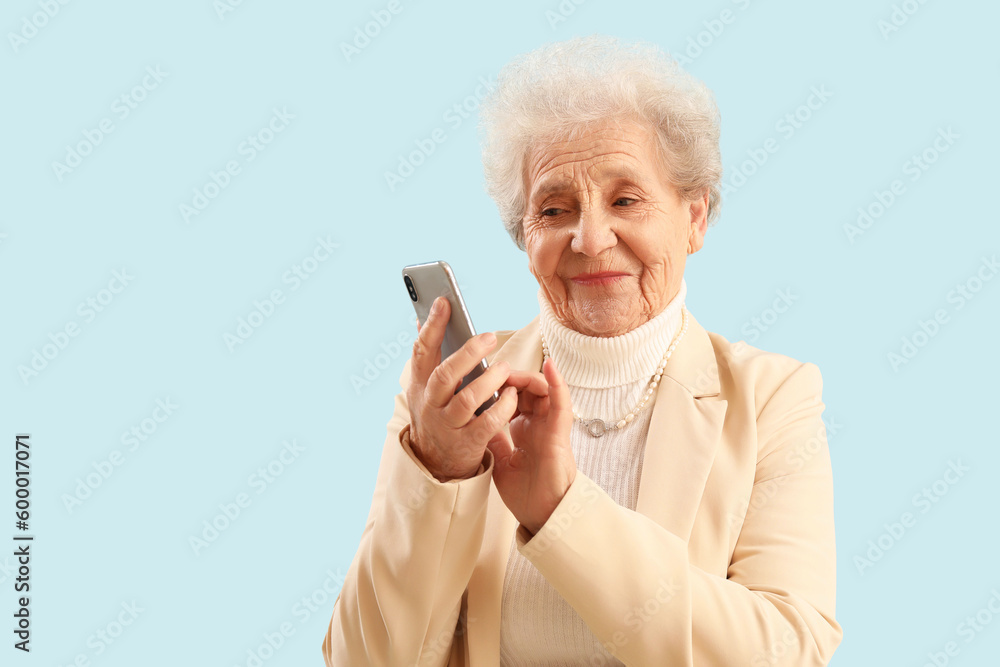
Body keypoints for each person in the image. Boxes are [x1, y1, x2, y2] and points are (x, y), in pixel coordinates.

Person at [323, 34, 842, 666]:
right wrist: (439, 468)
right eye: (554, 208)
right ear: (525, 234)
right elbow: (365, 660)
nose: (591, 239)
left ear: (695, 217)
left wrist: (563, 514)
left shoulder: (772, 398)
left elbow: (788, 652)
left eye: (625, 199)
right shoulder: (451, 403)